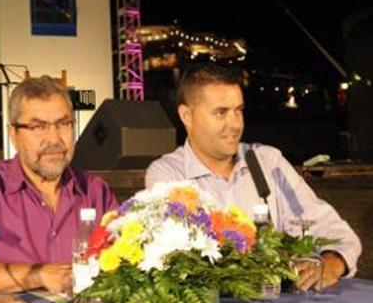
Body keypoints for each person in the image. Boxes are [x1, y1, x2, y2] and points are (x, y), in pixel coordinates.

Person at [145, 63, 361, 290]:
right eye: (221, 113)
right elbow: (182, 260)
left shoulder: (268, 162)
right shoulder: (168, 175)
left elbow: (335, 231)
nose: (235, 123)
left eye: (239, 110)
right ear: (186, 115)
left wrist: (331, 262)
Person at [0, 76, 117, 293]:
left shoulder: (95, 191)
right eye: (39, 127)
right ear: (14, 135)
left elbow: (124, 263)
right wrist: (39, 275)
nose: (54, 139)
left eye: (63, 124)